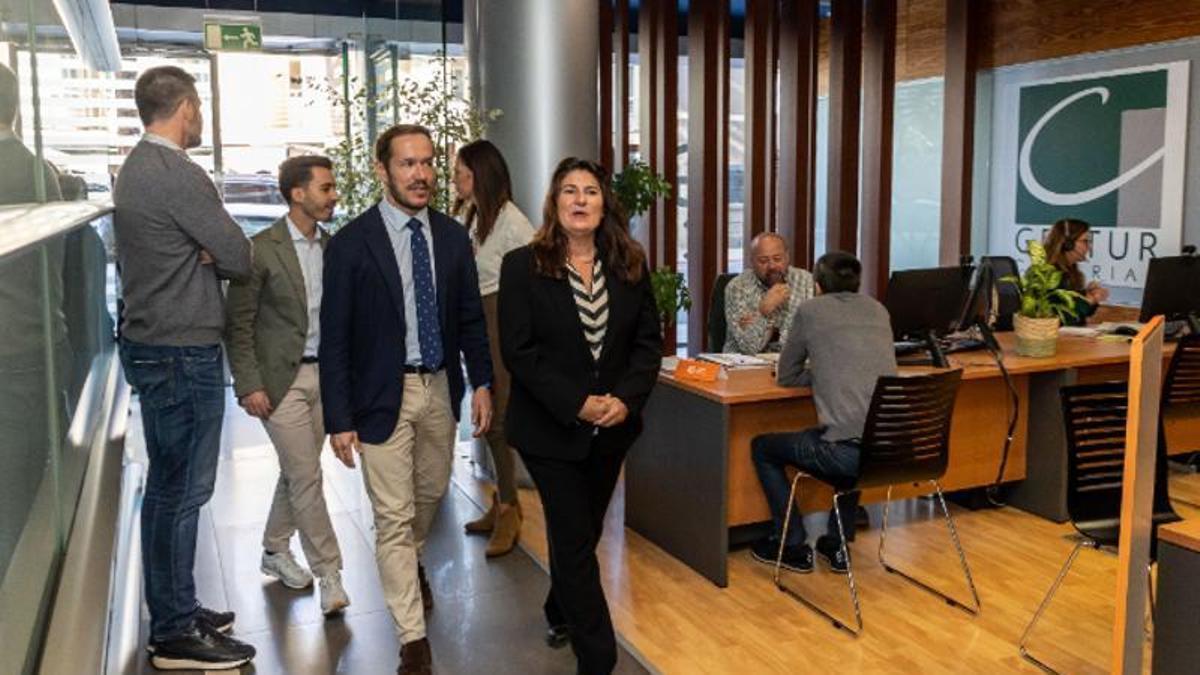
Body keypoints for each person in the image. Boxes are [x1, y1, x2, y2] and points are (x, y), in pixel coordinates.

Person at [319, 123, 493, 675]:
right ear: (383, 170)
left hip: (439, 387)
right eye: (407, 164)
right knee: (391, 517)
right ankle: (412, 640)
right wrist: (339, 417)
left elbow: (469, 318)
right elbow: (335, 338)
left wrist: (483, 381)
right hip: (379, 395)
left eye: (427, 163)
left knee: (430, 493)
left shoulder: (449, 236)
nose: (421, 174)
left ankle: (413, 556)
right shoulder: (351, 244)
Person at [113, 65, 255, 670]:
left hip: (156, 345)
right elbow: (239, 254)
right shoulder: (177, 173)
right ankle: (173, 632)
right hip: (180, 352)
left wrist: (207, 252)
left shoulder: (134, 169)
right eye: (199, 111)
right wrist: (210, 254)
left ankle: (177, 605)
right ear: (189, 108)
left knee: (172, 490)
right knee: (182, 491)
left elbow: (214, 252)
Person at [499, 157, 662, 675]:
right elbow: (520, 352)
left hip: (611, 429)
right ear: (555, 202)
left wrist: (624, 400)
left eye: (589, 191)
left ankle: (557, 605)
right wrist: (576, 403)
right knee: (573, 540)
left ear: (603, 203)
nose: (580, 200)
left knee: (584, 532)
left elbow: (647, 345)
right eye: (569, 191)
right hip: (549, 430)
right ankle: (599, 659)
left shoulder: (630, 264)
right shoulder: (522, 266)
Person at [224, 155, 350, 616]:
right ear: (298, 193)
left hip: (328, 377)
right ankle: (330, 572)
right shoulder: (260, 249)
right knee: (307, 476)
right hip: (282, 382)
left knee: (299, 472)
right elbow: (237, 325)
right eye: (326, 187)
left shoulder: (334, 247)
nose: (334, 195)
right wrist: (248, 384)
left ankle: (275, 549)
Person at [748, 252, 896, 575]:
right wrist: (829, 373)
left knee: (762, 447)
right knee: (854, 434)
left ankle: (792, 543)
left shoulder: (811, 311)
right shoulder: (879, 309)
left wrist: (821, 375)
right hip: (890, 452)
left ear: (817, 286)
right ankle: (837, 542)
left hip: (847, 455)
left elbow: (786, 376)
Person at [452, 139, 536, 557]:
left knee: (499, 419)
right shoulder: (473, 216)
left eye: (461, 173)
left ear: (480, 175)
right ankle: (499, 500)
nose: (454, 180)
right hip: (477, 321)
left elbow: (536, 281)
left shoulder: (512, 223)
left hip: (500, 320)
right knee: (485, 417)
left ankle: (510, 510)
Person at [723, 232, 814, 354]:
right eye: (763, 261)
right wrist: (763, 311)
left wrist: (755, 321)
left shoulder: (806, 281)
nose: (772, 266)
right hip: (745, 365)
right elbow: (750, 348)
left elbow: (811, 336)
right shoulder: (738, 287)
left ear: (787, 257)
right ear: (752, 261)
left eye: (777, 259)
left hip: (792, 364)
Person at [1043, 218, 1109, 326]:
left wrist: (1089, 295)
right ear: (1068, 244)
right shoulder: (1049, 274)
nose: (1089, 247)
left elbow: (1083, 313)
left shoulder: (1072, 272)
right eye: (1085, 241)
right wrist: (1090, 299)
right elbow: (1061, 318)